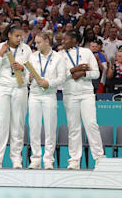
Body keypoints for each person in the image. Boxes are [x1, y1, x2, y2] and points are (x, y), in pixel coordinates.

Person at [0, 25, 32, 169]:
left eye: (21, 36)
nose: (20, 39)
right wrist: (0, 55)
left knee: (18, 124)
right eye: (17, 36)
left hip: (19, 87)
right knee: (1, 123)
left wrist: (23, 68)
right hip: (2, 87)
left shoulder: (26, 49)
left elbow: (31, 70)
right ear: (9, 35)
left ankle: (16, 159)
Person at [61, 30, 105, 169]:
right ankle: (74, 160)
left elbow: (96, 73)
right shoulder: (60, 55)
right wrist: (73, 71)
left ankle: (99, 158)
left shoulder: (86, 53)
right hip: (69, 94)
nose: (62, 42)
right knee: (73, 127)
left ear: (74, 40)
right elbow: (59, 76)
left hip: (86, 93)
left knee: (91, 124)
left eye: (65, 39)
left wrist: (82, 73)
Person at [27, 31, 64, 170]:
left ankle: (48, 159)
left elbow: (61, 78)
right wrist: (29, 79)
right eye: (35, 42)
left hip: (49, 95)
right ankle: (35, 159)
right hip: (35, 95)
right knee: (34, 128)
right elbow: (25, 77)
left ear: (47, 42)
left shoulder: (58, 57)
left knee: (50, 128)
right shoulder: (32, 56)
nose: (36, 45)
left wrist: (49, 83)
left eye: (38, 42)